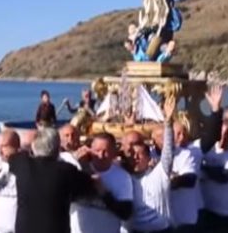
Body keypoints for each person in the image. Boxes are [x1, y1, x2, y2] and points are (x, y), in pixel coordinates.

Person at [0, 128, 98, 233]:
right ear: (58, 148)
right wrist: (86, 162)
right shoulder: (67, 170)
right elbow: (91, 187)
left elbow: (10, 153)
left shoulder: (22, 163)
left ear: (34, 147)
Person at [125, 96, 177, 233]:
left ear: (149, 157)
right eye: (132, 156)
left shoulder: (160, 172)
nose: (135, 158)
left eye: (140, 155)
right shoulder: (125, 177)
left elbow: (168, 151)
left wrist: (168, 122)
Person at [71, 132, 134, 233]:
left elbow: (125, 213)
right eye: (97, 150)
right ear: (90, 150)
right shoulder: (77, 169)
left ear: (113, 153)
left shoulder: (122, 177)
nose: (101, 155)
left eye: (105, 151)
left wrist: (105, 194)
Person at [200, 116, 228, 232]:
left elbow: (225, 177)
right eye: (221, 134)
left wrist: (202, 167)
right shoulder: (208, 148)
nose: (224, 138)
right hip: (208, 207)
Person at [170, 121, 201, 232]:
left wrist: (166, 181)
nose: (182, 137)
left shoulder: (189, 153)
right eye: (178, 134)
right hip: (166, 221)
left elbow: (190, 179)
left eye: (184, 133)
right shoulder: (152, 154)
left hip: (185, 220)